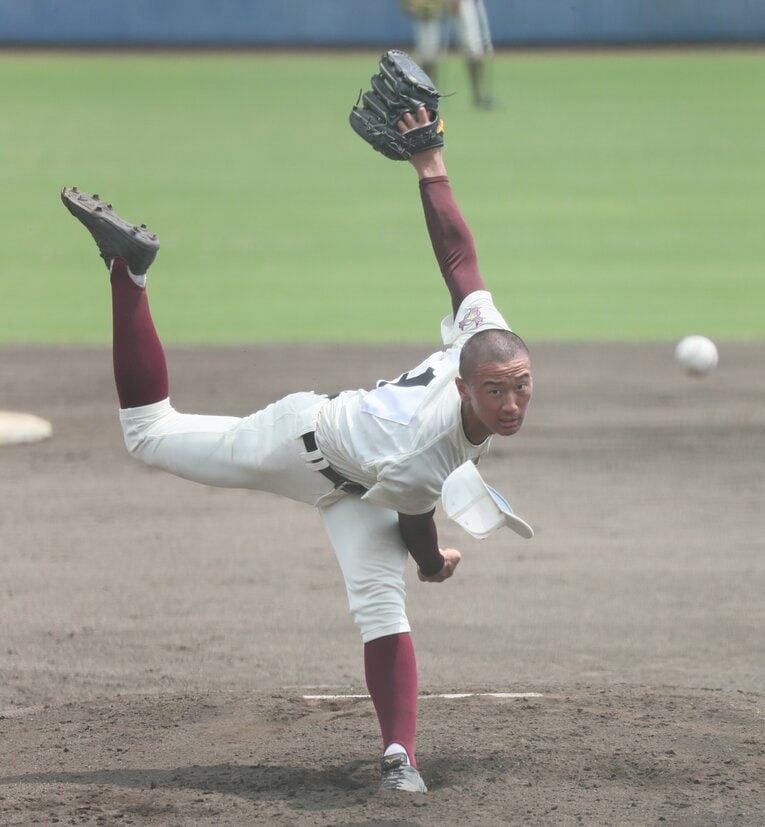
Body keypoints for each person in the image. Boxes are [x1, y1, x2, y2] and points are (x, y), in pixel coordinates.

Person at [60, 106, 533, 794]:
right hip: (299, 444)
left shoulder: (484, 337)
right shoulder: (426, 449)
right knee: (150, 435)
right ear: (464, 385)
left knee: (381, 610)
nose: (512, 402)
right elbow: (415, 526)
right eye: (495, 392)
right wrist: (434, 565)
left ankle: (399, 757)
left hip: (362, 483)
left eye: (520, 386)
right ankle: (128, 273)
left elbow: (460, 259)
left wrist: (430, 164)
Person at [401, 0, 495, 109]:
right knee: (427, 53)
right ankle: (428, 96)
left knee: (473, 47)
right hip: (430, 5)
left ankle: (480, 94)